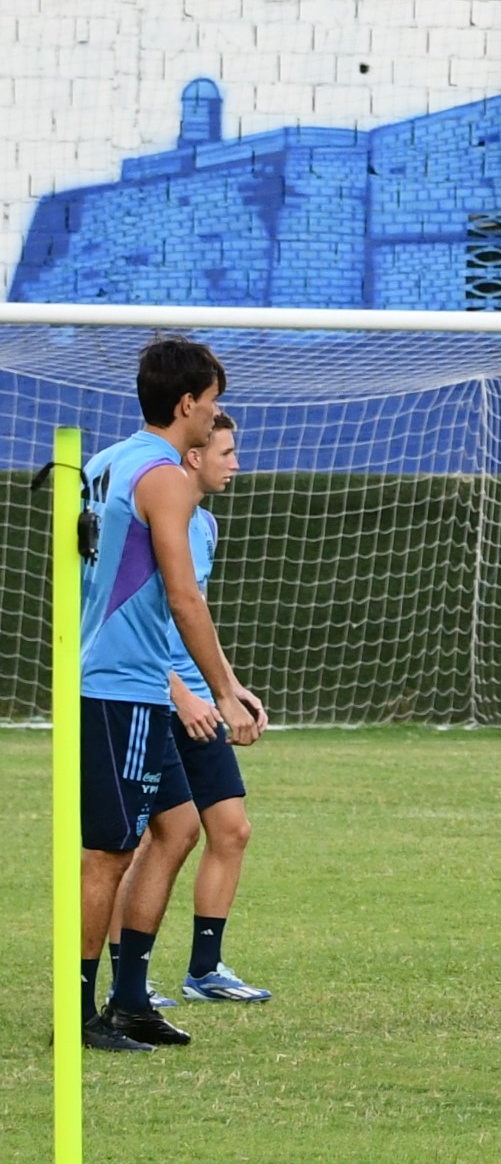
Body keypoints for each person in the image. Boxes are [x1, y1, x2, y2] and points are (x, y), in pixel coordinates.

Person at [77, 338, 261, 1053]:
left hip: (128, 681)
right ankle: (82, 1011)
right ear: (187, 404)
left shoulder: (104, 461)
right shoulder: (166, 478)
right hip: (121, 685)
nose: (214, 413)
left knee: (180, 827)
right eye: (212, 402)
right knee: (108, 853)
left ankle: (128, 1000)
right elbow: (183, 596)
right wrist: (226, 687)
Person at [156, 412, 271, 1005]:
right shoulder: (156, 517)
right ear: (195, 455)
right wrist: (180, 692)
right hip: (152, 696)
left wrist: (229, 686)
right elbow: (137, 623)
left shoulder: (206, 527)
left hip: (199, 699)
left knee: (230, 828)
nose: (235, 462)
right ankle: (131, 978)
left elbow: (194, 616)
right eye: (225, 451)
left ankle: (205, 970)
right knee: (155, 839)